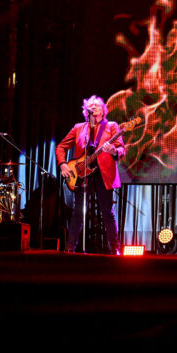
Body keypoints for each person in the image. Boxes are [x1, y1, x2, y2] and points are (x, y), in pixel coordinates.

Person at [57, 96, 124, 254]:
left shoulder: (111, 126)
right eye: (91, 105)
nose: (93, 107)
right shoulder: (79, 128)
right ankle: (70, 248)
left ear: (103, 110)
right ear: (86, 111)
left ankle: (115, 248)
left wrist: (114, 151)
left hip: (103, 174)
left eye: (97, 105)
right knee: (78, 212)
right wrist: (63, 164)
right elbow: (61, 147)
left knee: (107, 212)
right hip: (82, 174)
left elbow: (121, 148)